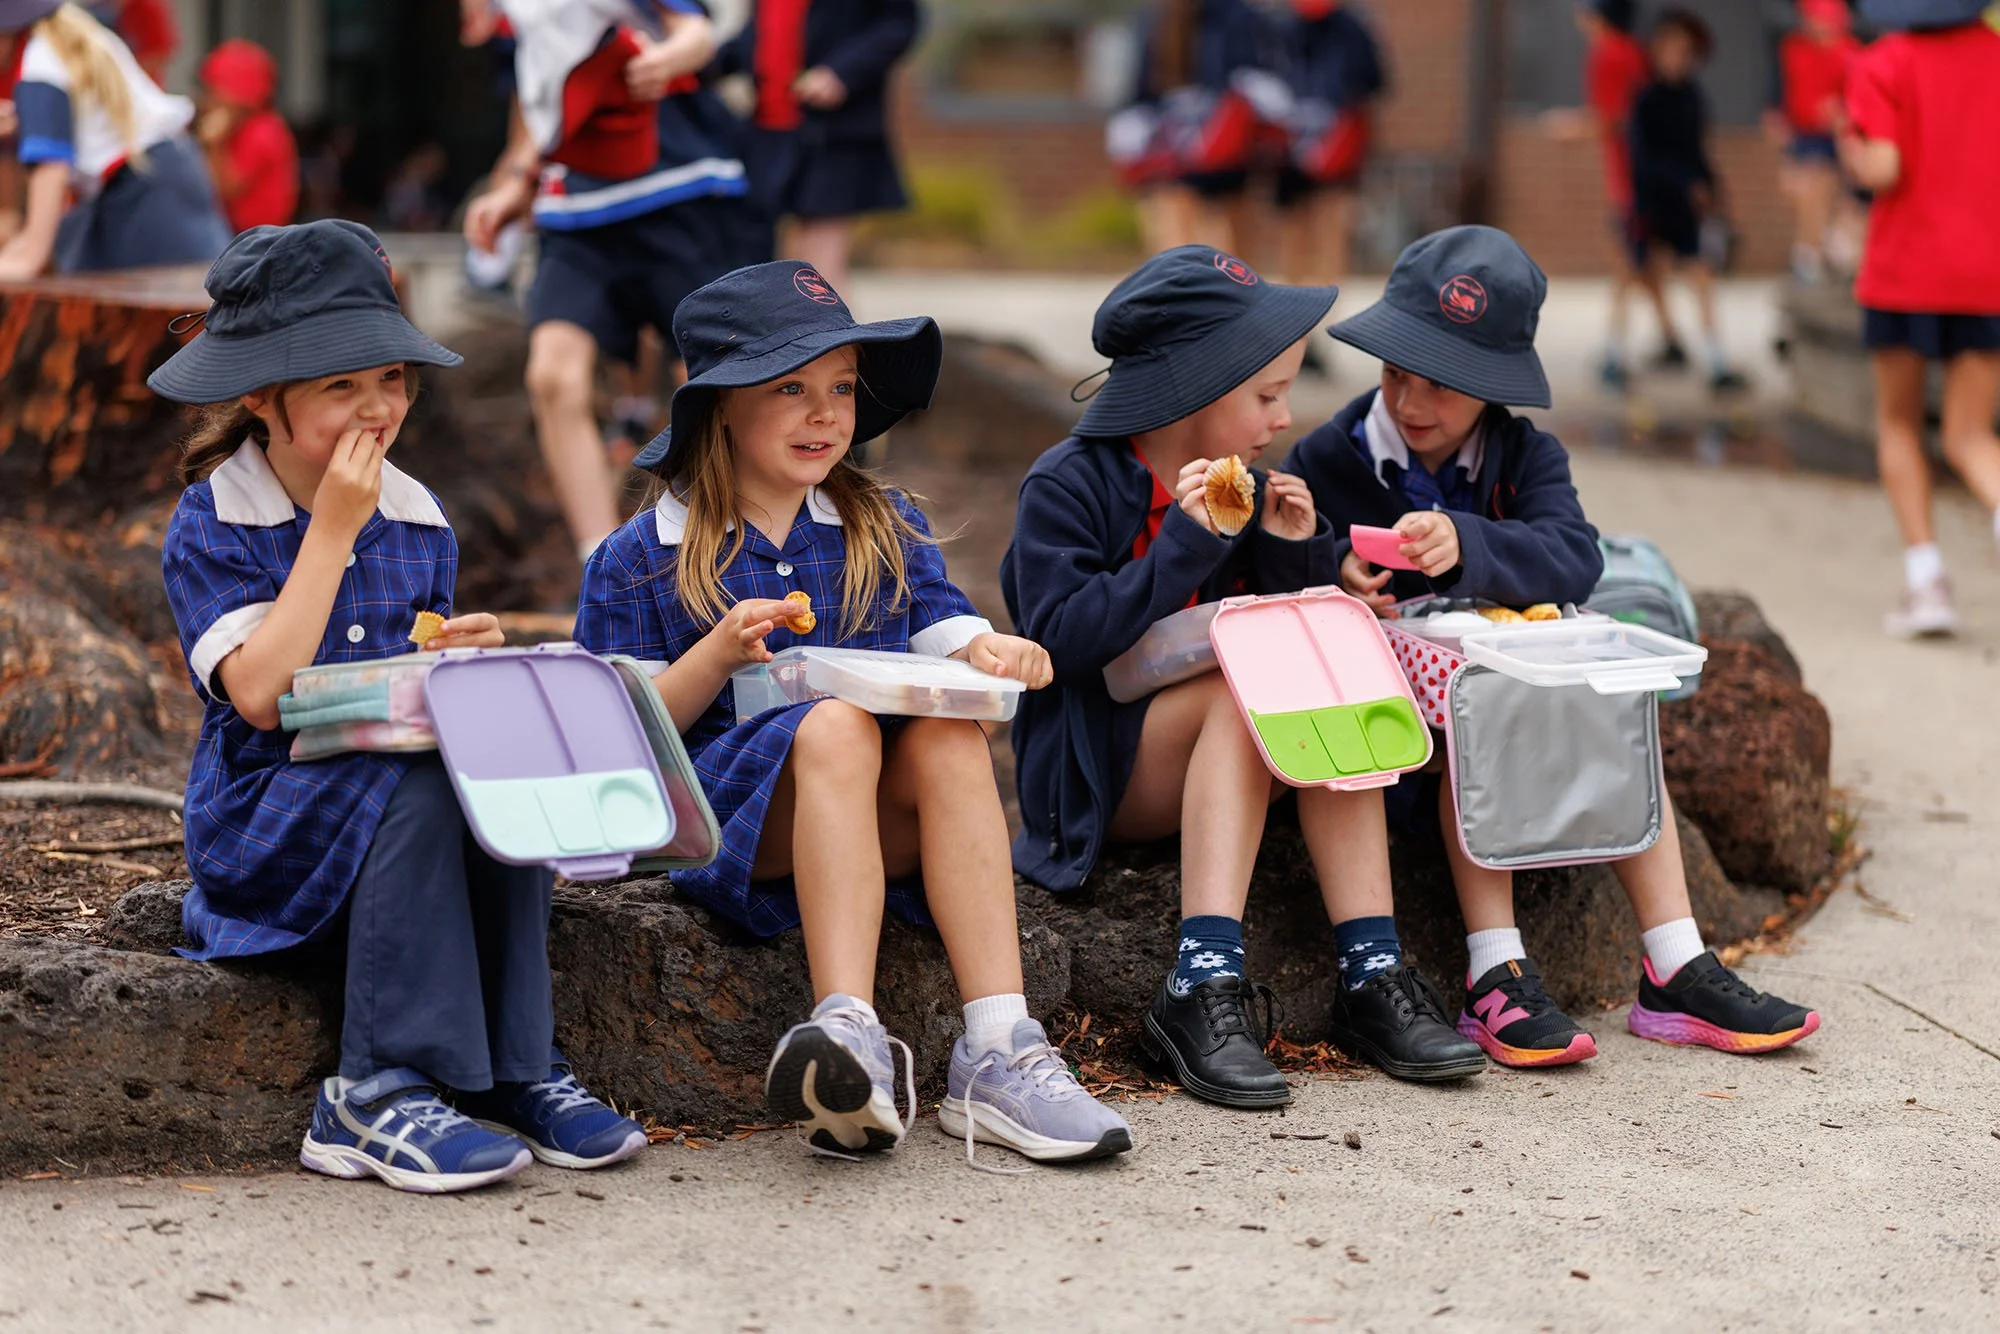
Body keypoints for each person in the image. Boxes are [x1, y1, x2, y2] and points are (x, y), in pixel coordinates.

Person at [573, 260, 1132, 1168]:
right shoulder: (642, 554)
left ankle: (998, 1046)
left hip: (867, 822)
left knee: (949, 734)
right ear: (717, 405)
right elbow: (617, 738)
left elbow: (943, 634)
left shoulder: (882, 523)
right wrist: (714, 652)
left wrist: (989, 651)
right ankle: (849, 1030)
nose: (827, 413)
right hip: (725, 825)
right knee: (834, 723)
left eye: (840, 387)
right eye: (790, 387)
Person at [153, 221, 646, 1193]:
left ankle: (515, 1068)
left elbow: (402, 679)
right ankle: (373, 1088)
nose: (377, 407)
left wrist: (454, 654)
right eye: (340, 386)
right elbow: (259, 693)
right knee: (417, 776)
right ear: (260, 394)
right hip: (266, 816)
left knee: (485, 753)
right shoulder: (219, 515)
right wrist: (330, 532)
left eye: (391, 378)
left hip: (385, 808)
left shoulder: (419, 518)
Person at [1282, 224, 1824, 1064]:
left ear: (1490, 389)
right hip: (1399, 721)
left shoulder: (1522, 456)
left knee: (1618, 707)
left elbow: (1573, 554)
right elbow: (1284, 563)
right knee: (1486, 713)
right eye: (1395, 374)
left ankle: (1674, 960)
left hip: (1519, 685)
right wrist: (1336, 568)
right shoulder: (1332, 454)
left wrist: (1472, 543)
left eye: (1441, 386)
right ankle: (1494, 971)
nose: (1410, 403)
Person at [1002, 246, 1487, 1105]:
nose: (1281, 415)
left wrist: (1300, 553)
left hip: (1216, 763)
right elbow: (1063, 643)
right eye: (1265, 395)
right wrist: (1187, 540)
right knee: (1249, 688)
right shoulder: (1069, 483)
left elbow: (1259, 614)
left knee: (1320, 668)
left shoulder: (1248, 487)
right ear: (1194, 385)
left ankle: (1372, 972)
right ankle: (1200, 980)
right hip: (1098, 774)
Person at [462, 0, 750, 562]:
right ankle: (602, 565)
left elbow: (696, 32)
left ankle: (722, 551)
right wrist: (517, 185)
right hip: (577, 216)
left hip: (677, 197)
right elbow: (541, 97)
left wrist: (664, 60)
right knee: (553, 376)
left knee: (712, 380)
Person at [1839, 0, 2000, 637]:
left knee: (1899, 422)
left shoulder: (1883, 61)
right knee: (1971, 435)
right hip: (1987, 272)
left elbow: (1884, 167)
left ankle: (1926, 582)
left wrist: (1847, 143)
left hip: (1906, 272)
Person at [0, 0, 227, 278]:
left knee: (192, 306)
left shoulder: (38, 67)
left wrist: (29, 256)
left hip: (145, 192)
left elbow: (50, 167)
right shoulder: (62, 41)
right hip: (155, 176)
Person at [719, 0, 919, 293]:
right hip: (766, 131)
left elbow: (900, 23)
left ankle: (838, 339)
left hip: (834, 130)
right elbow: (763, 32)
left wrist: (841, 72)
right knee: (763, 266)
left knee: (815, 274)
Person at [1562, 0, 1686, 390]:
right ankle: (1671, 340)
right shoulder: (1634, 51)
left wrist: (1571, 129)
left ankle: (1614, 354)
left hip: (1633, 176)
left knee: (1627, 260)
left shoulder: (1609, 53)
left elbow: (1613, 118)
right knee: (1644, 260)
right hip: (1653, 171)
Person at [1626, 7, 1748, 394]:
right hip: (1653, 200)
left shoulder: (1692, 97)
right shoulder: (1646, 98)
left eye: (1686, 50)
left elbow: (1698, 149)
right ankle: (1651, 342)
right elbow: (1644, 158)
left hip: (1685, 207)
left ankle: (1715, 359)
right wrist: (1682, 182)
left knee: (1700, 274)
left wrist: (1713, 189)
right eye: (1672, 48)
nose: (1679, 57)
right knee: (1639, 273)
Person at [1273, 0, 1385, 319]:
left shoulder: (1351, 27)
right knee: (1300, 231)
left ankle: (1319, 316)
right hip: (1293, 145)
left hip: (1335, 144)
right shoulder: (1282, 25)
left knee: (1328, 227)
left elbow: (1372, 81)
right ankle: (1298, 317)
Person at [1770, 0, 1860, 282]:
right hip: (1804, 134)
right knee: (1805, 191)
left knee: (1828, 192)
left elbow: (1857, 100)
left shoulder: (1850, 51)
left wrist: (1841, 113)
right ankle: (1815, 250)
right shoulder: (1793, 48)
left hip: (1838, 135)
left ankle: (1810, 254)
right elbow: (1778, 93)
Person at [194, 38, 299, 234]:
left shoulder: (264, 130)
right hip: (241, 236)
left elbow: (223, 190)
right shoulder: (238, 128)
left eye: (213, 90)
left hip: (259, 239)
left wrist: (214, 145)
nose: (206, 100)